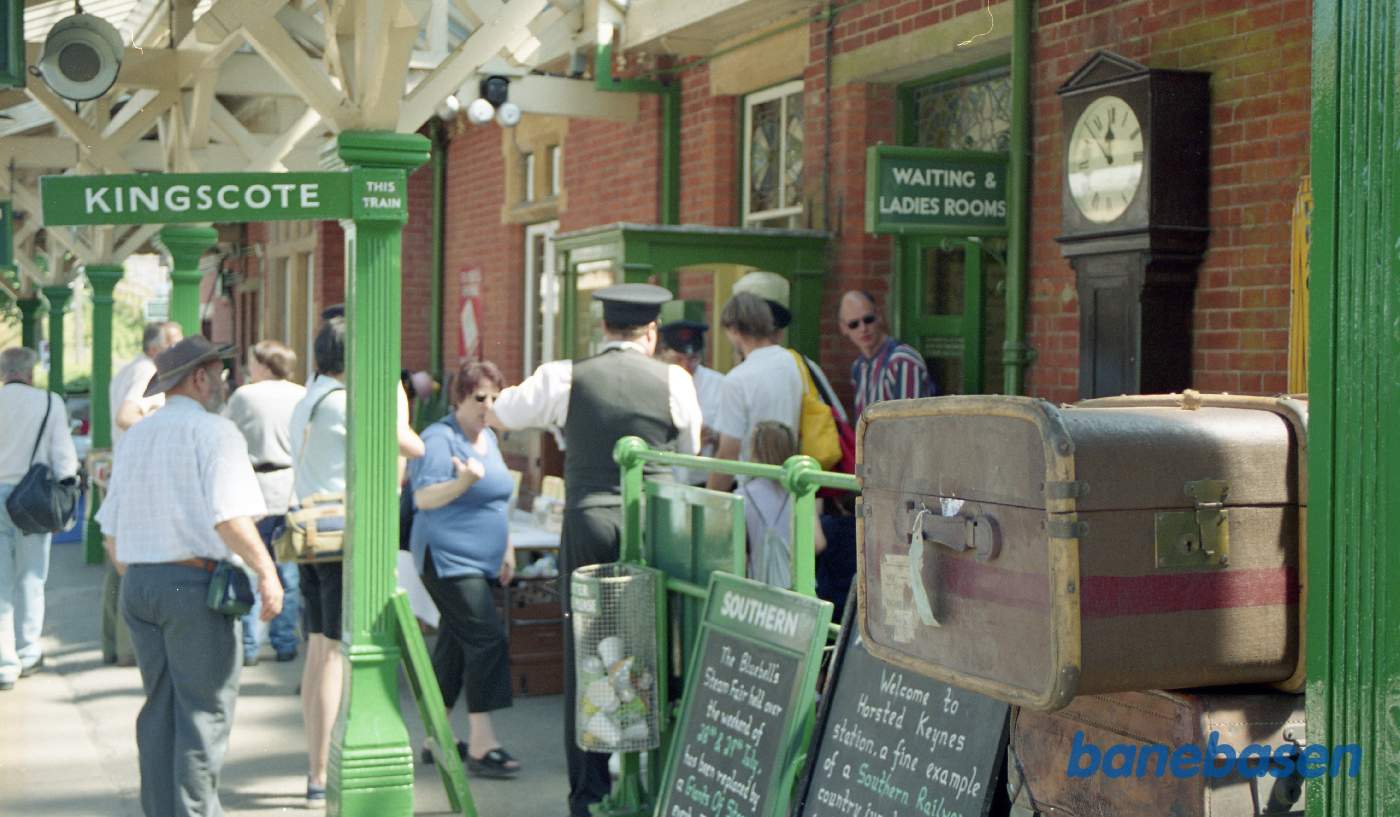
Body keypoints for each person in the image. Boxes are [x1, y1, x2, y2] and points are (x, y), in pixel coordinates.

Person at [490, 283, 702, 817]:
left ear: (604, 329)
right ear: (651, 332)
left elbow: (506, 412)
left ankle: (589, 795)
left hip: (588, 521)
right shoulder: (675, 378)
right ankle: (658, 777)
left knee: (586, 651)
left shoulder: (566, 374)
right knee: (659, 642)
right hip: (653, 522)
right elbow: (690, 451)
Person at [94, 335, 284, 817]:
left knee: (159, 710)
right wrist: (267, 572)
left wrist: (145, 571)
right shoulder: (215, 433)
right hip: (192, 584)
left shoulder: (137, 435)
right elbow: (230, 517)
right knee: (203, 714)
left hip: (141, 582)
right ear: (199, 378)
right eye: (217, 373)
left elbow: (111, 533)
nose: (222, 382)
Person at [291, 316, 424, 806]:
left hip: (309, 534)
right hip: (340, 535)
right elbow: (413, 444)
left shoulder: (310, 397)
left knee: (318, 651)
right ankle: (323, 770)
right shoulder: (348, 402)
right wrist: (393, 394)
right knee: (333, 655)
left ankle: (315, 766)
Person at [410, 360, 520, 777]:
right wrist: (461, 483)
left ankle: (436, 736)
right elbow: (423, 499)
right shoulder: (439, 439)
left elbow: (497, 498)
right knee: (487, 640)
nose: (487, 406)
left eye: (494, 398)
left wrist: (505, 547)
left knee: (457, 643)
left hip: (483, 558)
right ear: (458, 398)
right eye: (479, 398)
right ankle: (481, 742)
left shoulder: (489, 437)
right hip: (446, 558)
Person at [103, 320, 183, 666]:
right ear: (157, 348)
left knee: (118, 561)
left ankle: (114, 643)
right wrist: (160, 432)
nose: (180, 349)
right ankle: (129, 648)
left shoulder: (131, 368)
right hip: (139, 472)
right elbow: (126, 416)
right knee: (134, 563)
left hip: (125, 468)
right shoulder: (148, 373)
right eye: (175, 343)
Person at [223, 340, 306, 666]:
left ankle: (250, 644)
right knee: (288, 572)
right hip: (290, 490)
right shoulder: (300, 395)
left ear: (264, 365)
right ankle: (285, 642)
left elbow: (224, 432)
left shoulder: (244, 396)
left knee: (253, 567)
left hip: (253, 488)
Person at [0, 347, 79, 690]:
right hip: (32, 500)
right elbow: (64, 459)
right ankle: (28, 651)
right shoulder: (49, 403)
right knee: (31, 577)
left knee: (0, 584)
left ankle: (4, 665)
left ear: (4, 372)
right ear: (31, 373)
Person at [705, 292, 803, 493]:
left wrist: (709, 502)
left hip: (754, 489)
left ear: (734, 330)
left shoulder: (736, 379)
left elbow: (728, 455)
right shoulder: (791, 362)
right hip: (791, 484)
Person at [737, 421, 825, 590]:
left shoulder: (743, 496)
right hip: (799, 587)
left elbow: (740, 556)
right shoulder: (802, 490)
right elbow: (818, 543)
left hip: (761, 590)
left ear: (755, 452)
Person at [838, 289, 934, 418]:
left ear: (879, 316)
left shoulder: (902, 361)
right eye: (854, 324)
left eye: (868, 319)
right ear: (843, 328)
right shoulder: (858, 367)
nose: (863, 328)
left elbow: (908, 425)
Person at [657, 320, 724, 486]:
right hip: (668, 481)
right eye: (678, 358)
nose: (686, 365)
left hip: (707, 481)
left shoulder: (720, 384)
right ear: (663, 353)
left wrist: (716, 437)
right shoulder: (655, 382)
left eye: (693, 359)